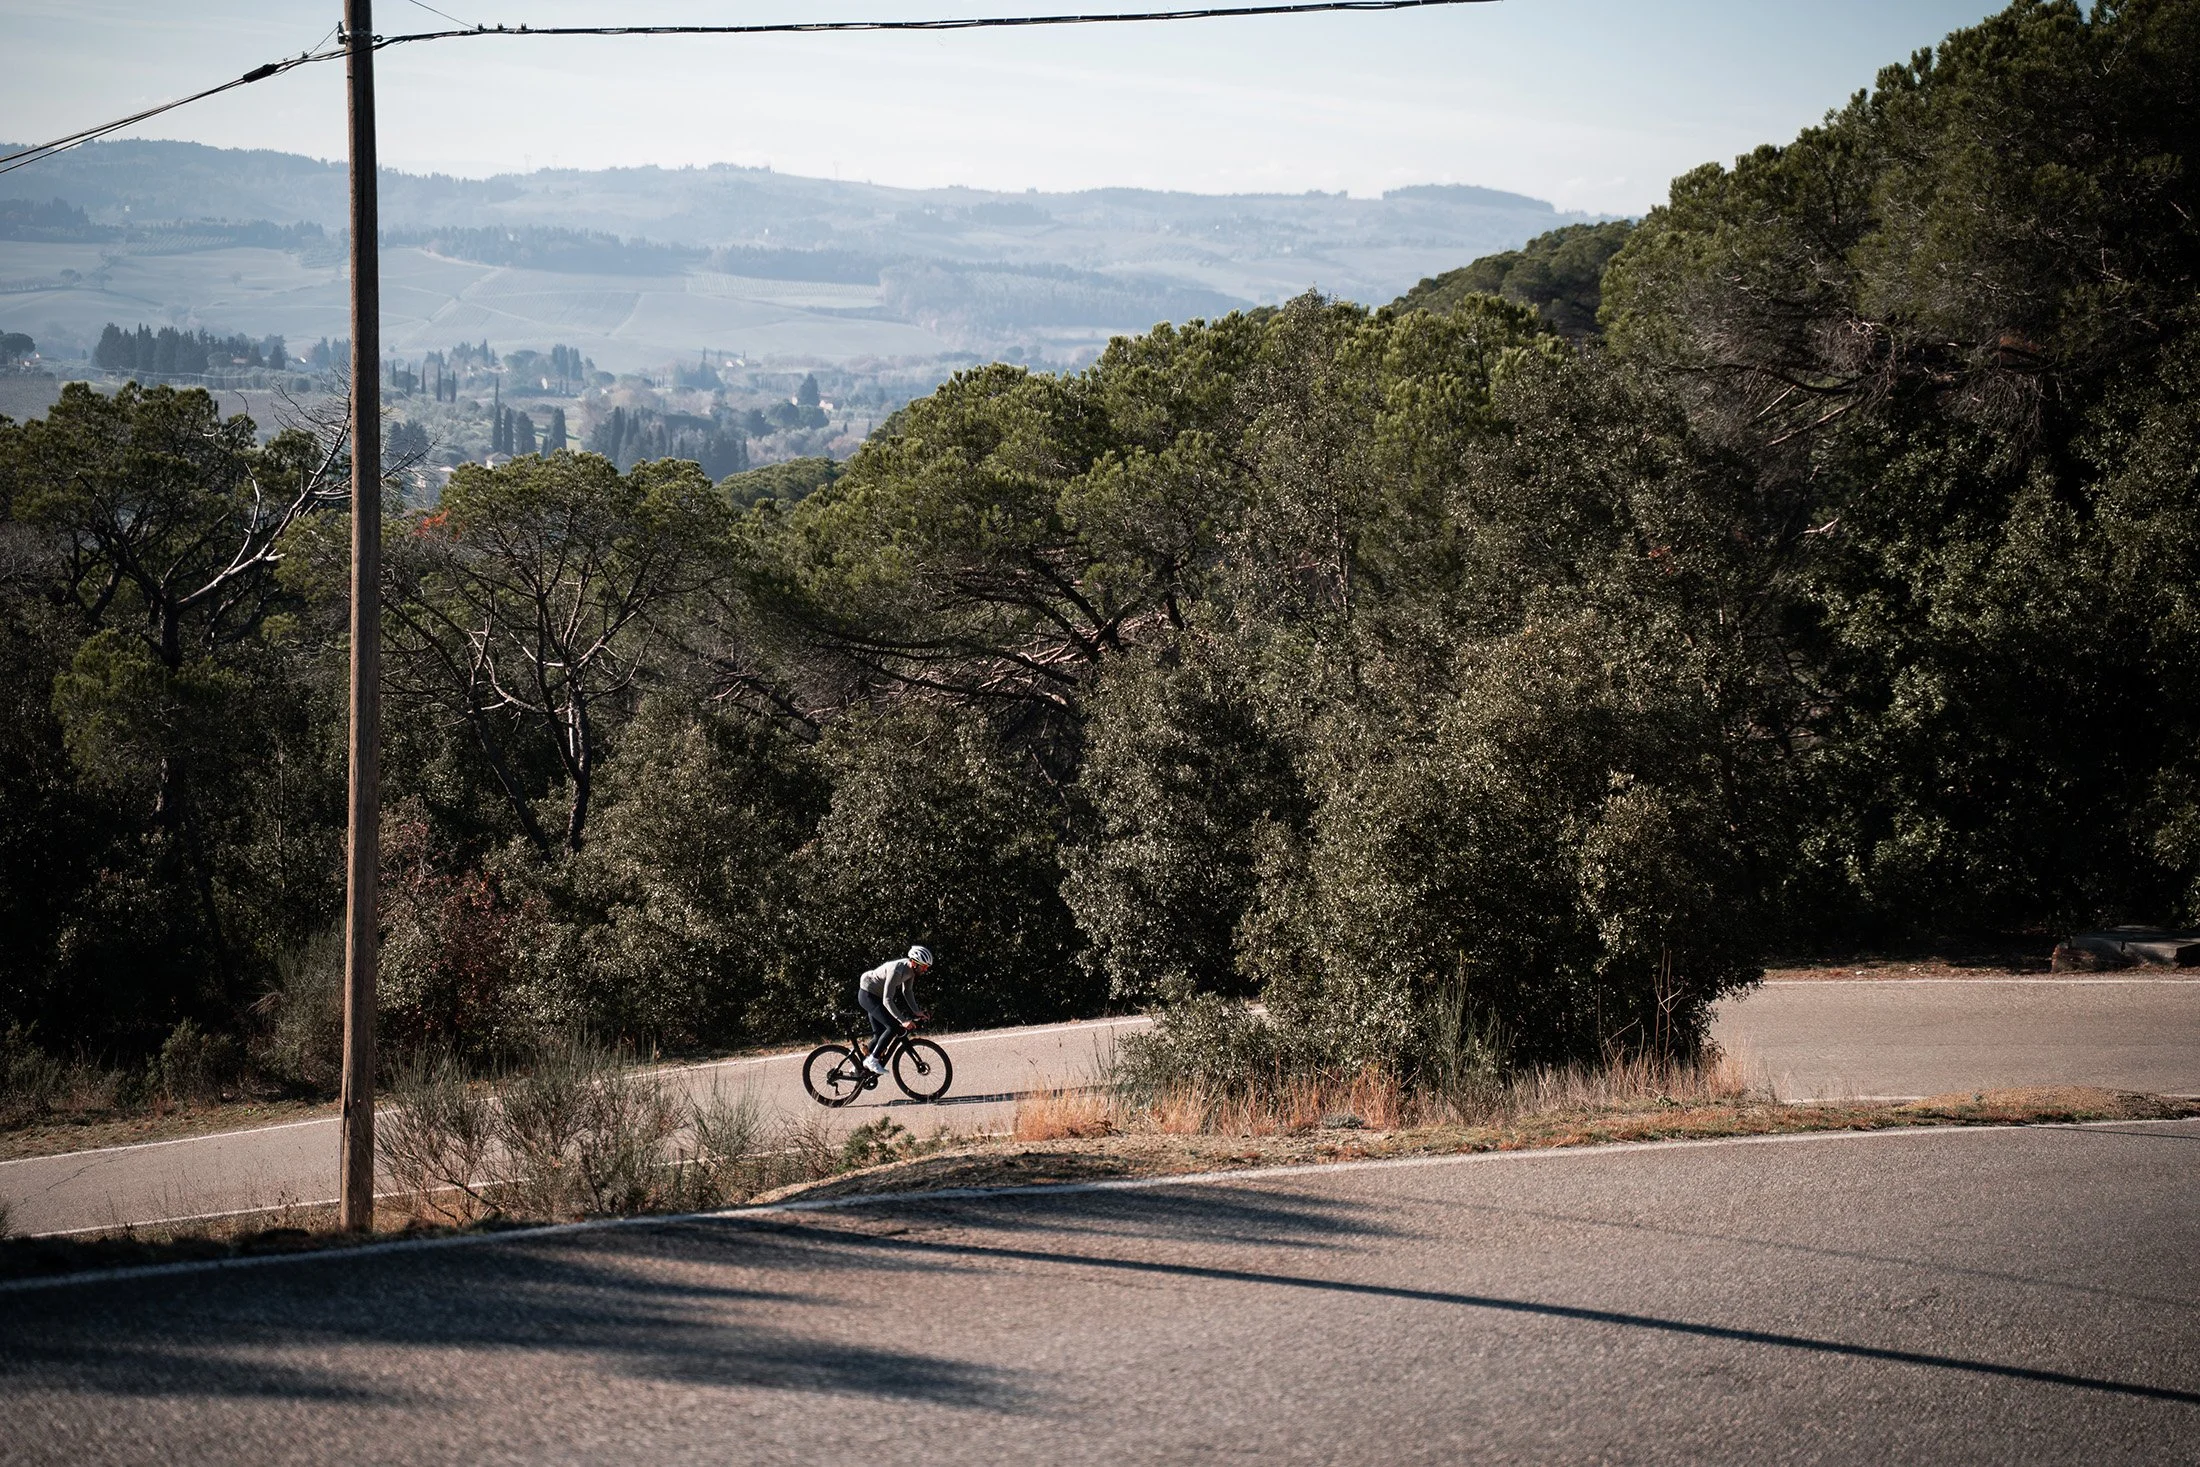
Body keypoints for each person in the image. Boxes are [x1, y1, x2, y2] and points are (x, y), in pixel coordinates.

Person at [857, 945, 932, 1074]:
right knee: (892, 1027)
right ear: (914, 963)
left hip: (877, 996)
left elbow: (907, 991)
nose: (925, 970)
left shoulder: (911, 971)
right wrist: (902, 1021)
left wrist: (916, 1011)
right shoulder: (897, 970)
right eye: (924, 967)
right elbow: (887, 1000)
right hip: (868, 994)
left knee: (880, 1034)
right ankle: (872, 1060)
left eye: (927, 967)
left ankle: (858, 1067)